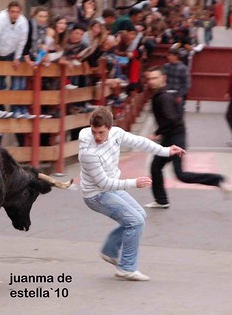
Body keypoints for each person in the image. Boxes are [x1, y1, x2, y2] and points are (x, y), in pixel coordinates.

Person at [78, 107, 186, 281]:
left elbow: (139, 142)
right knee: (134, 221)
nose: (97, 137)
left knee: (140, 216)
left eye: (101, 132)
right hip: (96, 195)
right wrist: (134, 183)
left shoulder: (117, 133)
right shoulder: (88, 153)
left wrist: (165, 150)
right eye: (94, 132)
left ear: (110, 128)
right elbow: (103, 183)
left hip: (111, 188)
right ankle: (126, 268)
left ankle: (110, 250)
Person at [145, 67, 228, 208]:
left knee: (180, 175)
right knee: (155, 167)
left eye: (155, 78)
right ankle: (161, 201)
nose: (151, 81)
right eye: (149, 79)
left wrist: (156, 133)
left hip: (175, 140)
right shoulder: (165, 94)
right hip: (171, 138)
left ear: (163, 78)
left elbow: (171, 120)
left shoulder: (163, 97)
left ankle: (217, 179)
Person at [0, 1, 29, 118]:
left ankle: (6, 109)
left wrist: (17, 57)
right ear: (8, 11)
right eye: (12, 12)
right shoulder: (0, 19)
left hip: (10, 52)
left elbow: (22, 41)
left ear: (20, 12)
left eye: (17, 12)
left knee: (5, 84)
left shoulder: (23, 22)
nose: (14, 14)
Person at [162, 44, 191, 114]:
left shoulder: (183, 68)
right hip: (167, 93)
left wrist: (180, 94)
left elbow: (186, 83)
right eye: (168, 55)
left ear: (176, 56)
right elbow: (162, 79)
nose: (168, 57)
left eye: (170, 55)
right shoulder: (166, 66)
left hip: (177, 93)